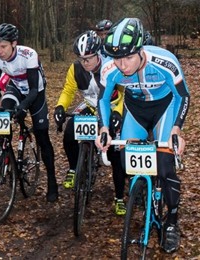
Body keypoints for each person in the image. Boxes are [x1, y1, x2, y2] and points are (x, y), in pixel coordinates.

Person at [95, 18, 189, 253]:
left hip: (165, 108)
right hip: (135, 110)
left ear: (140, 50)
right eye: (116, 58)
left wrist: (176, 129)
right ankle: (142, 190)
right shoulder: (110, 69)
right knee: (128, 157)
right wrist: (104, 128)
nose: (122, 65)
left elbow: (183, 97)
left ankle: (172, 222)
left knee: (166, 166)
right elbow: (103, 100)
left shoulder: (164, 61)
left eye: (127, 58)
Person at [0, 23, 59, 202]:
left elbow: (32, 90)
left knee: (42, 136)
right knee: (2, 112)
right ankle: (6, 153)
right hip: (15, 88)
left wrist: (23, 107)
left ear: (14, 43)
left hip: (35, 93)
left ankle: (52, 182)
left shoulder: (28, 55)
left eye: (3, 46)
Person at [53, 30, 127, 215]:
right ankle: (73, 168)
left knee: (114, 153)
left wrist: (118, 113)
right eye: (81, 59)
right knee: (69, 133)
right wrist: (60, 106)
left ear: (98, 54)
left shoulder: (111, 67)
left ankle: (119, 198)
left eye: (88, 58)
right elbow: (68, 90)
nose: (84, 63)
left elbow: (125, 92)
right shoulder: (75, 68)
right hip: (90, 105)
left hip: (111, 107)